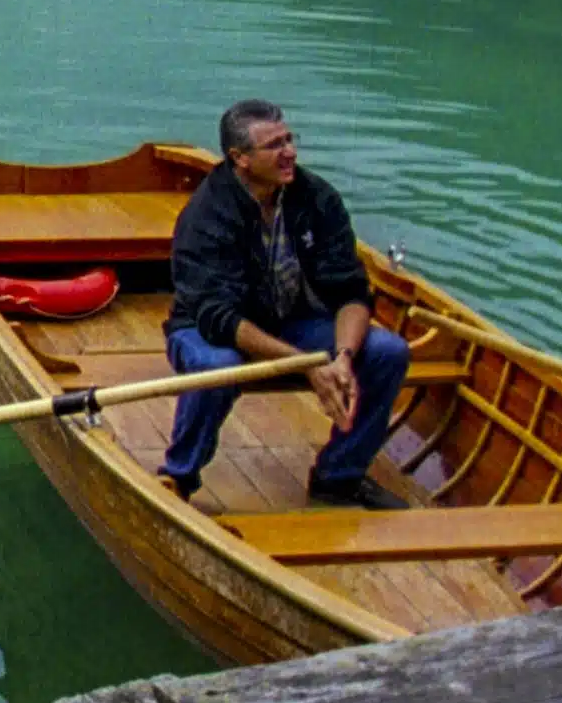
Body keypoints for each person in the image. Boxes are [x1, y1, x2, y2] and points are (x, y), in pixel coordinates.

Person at [163, 101, 411, 505]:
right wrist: (310, 364)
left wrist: (343, 357)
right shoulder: (206, 215)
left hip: (291, 321)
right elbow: (219, 319)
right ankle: (179, 478)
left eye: (289, 139)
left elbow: (350, 291)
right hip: (209, 330)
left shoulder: (317, 198)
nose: (289, 152)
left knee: (386, 351)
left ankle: (339, 475)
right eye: (274, 145)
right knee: (217, 367)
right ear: (239, 158)